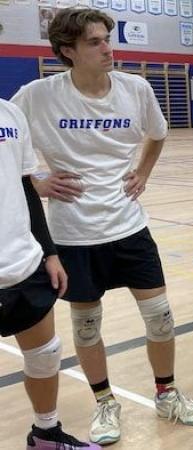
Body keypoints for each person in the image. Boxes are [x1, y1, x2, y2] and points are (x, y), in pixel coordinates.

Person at [11, 7, 193, 445]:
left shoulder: (135, 88)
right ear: (68, 51)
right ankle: (105, 402)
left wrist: (144, 172)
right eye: (95, 42)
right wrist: (40, 184)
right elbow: (9, 143)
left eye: (108, 38)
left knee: (160, 317)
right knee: (87, 327)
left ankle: (168, 391)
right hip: (73, 234)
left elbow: (157, 134)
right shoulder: (36, 96)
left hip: (129, 227)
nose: (108, 48)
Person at [0, 98, 101, 449]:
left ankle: (46, 434)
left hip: (22, 262)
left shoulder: (10, 114)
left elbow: (27, 188)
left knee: (44, 355)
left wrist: (50, 253)